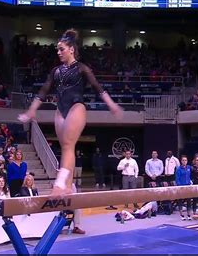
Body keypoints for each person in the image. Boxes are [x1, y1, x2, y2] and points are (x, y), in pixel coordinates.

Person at [18, 29, 123, 196]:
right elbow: (44, 90)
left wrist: (112, 105)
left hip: (77, 107)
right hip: (61, 109)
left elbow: (98, 88)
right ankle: (67, 186)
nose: (58, 52)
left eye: (62, 49)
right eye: (57, 50)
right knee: (68, 147)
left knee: (67, 145)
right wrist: (32, 111)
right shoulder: (56, 71)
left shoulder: (82, 68)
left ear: (71, 49)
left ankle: (60, 183)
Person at [175, 156, 192, 220]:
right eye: (183, 160)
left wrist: (190, 182)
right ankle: (181, 215)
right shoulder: (179, 169)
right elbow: (177, 179)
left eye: (185, 160)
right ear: (181, 161)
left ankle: (189, 214)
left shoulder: (189, 168)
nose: (184, 161)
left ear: (187, 161)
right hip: (181, 187)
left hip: (188, 187)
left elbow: (190, 176)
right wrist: (179, 186)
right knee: (180, 201)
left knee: (189, 201)